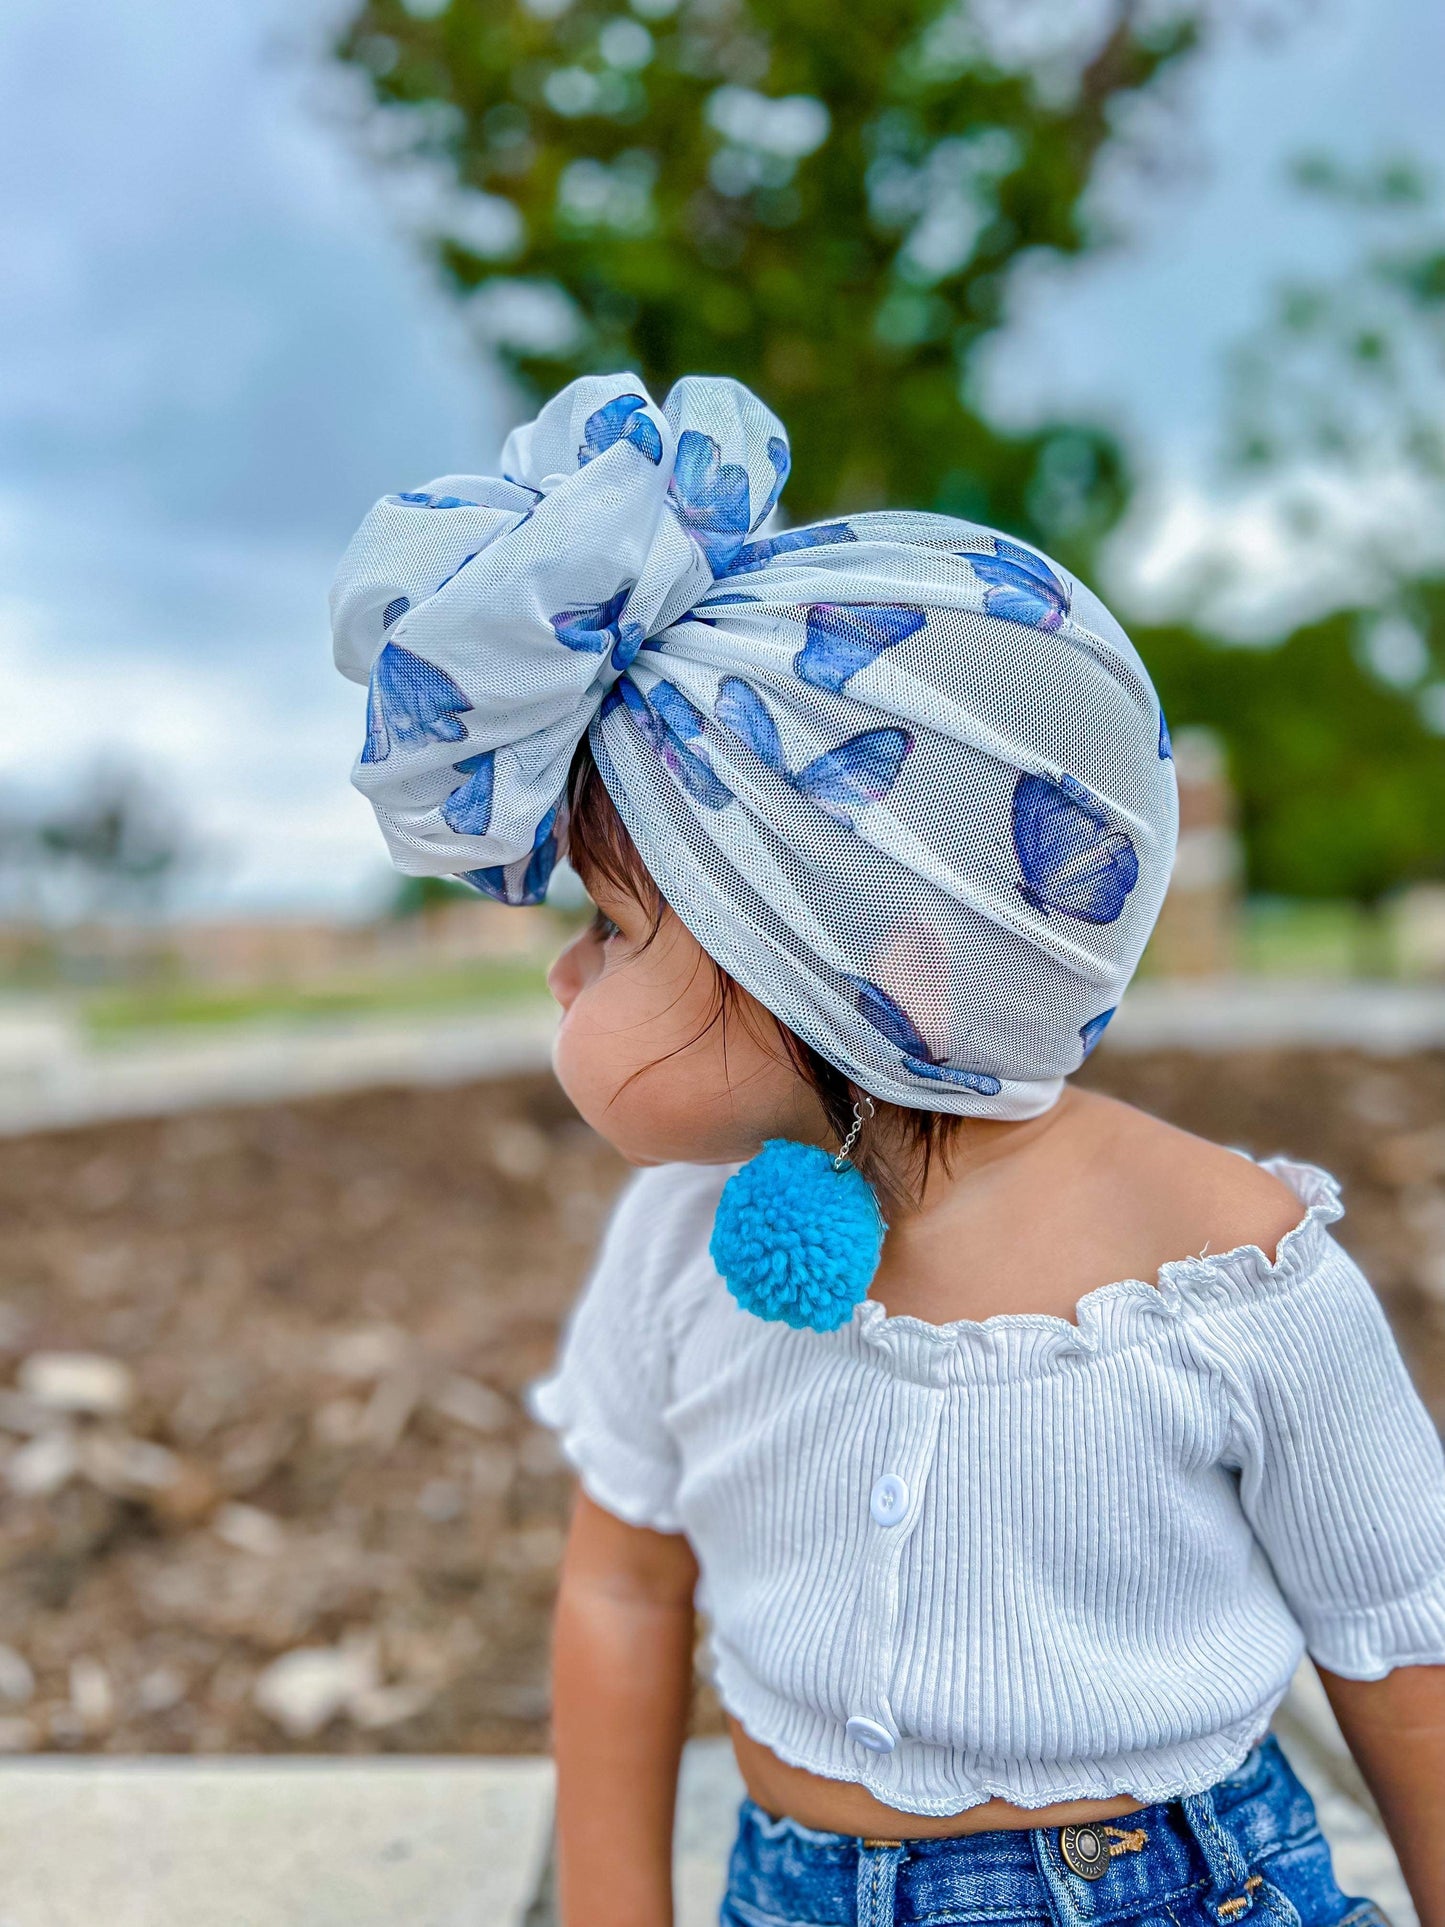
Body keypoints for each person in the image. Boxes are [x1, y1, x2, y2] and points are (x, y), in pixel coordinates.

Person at [332, 373, 1445, 1927]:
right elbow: (620, 1585)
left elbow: (1393, 1634)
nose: (562, 973)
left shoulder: (1230, 1270)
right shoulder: (671, 1261)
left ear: (871, 965)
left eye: (611, 927)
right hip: (795, 1893)